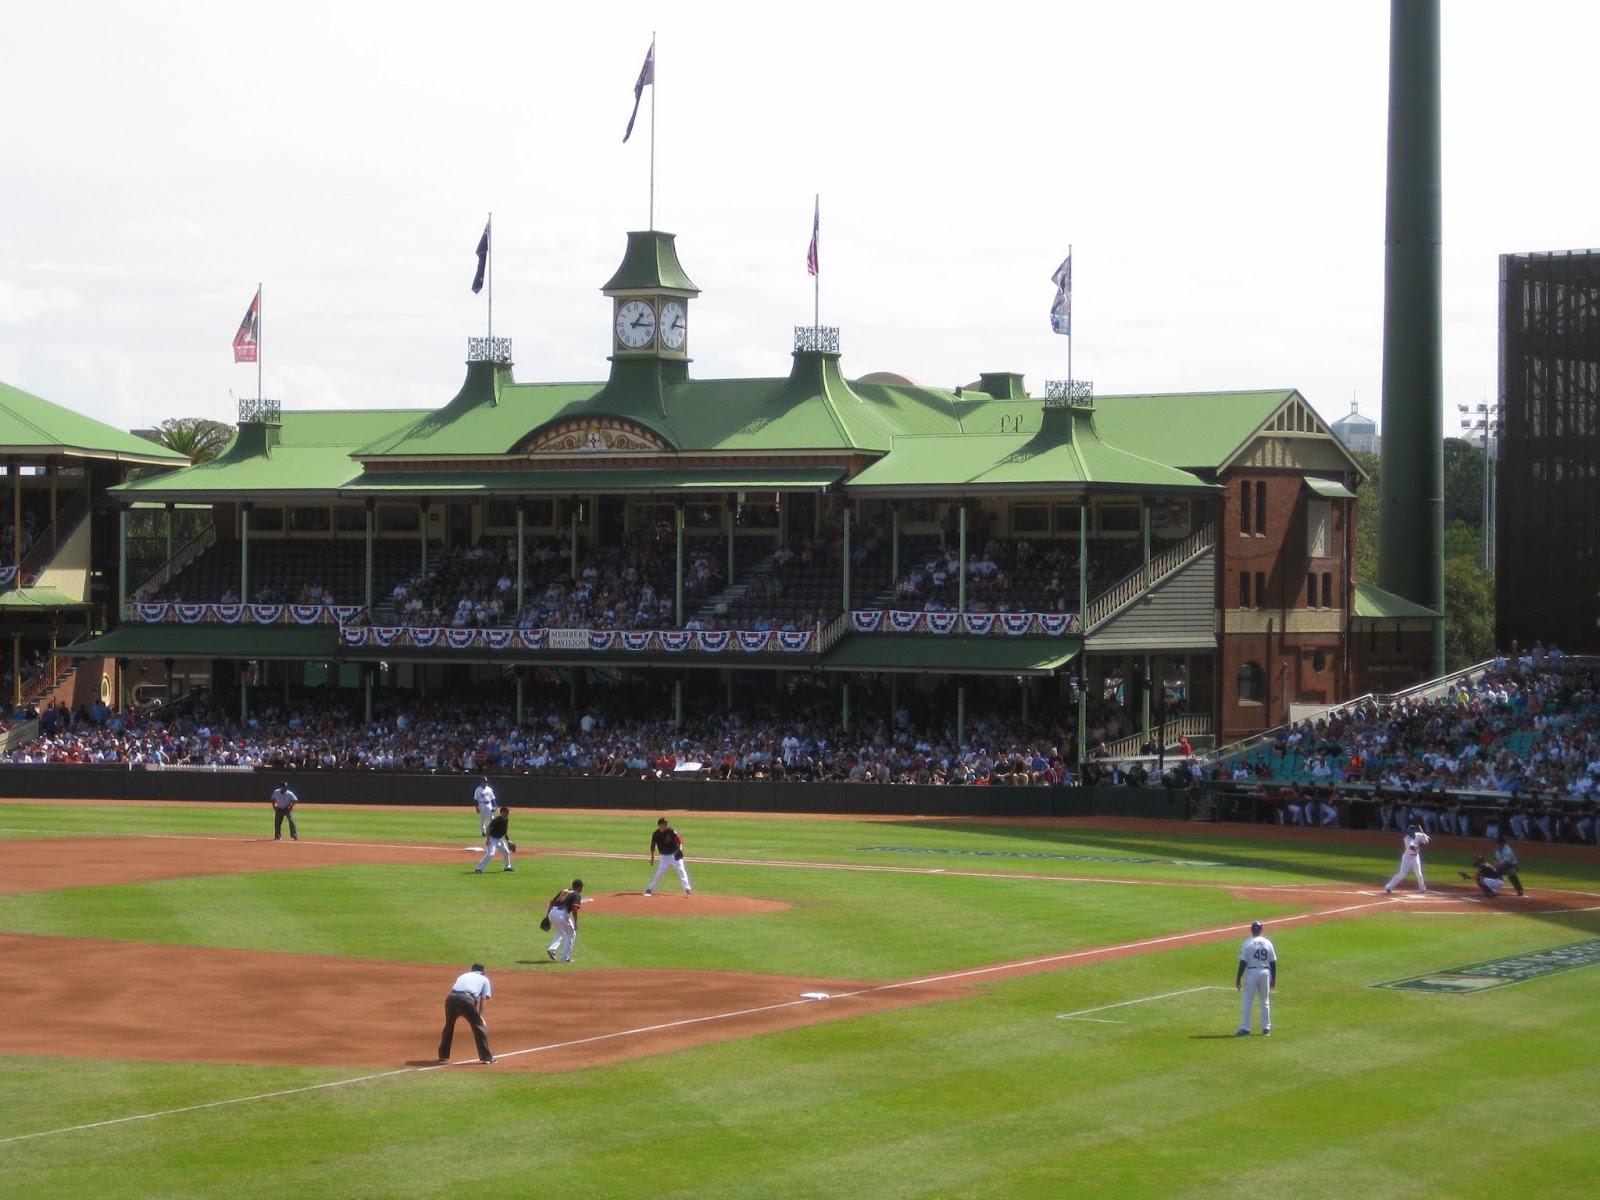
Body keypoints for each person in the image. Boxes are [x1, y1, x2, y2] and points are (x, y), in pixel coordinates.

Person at [437, 963, 495, 1063]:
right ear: (482, 972)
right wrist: (479, 1015)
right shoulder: (484, 979)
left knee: (449, 1026)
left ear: (471, 969)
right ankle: (486, 1057)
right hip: (467, 1000)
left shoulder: (462, 976)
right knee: (478, 1027)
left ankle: (443, 1055)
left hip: (451, 998)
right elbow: (483, 998)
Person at [1234, 919, 1277, 1036]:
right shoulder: (1268, 943)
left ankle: (1246, 1028)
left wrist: (1238, 978)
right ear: (1261, 930)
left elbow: (1243, 962)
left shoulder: (1247, 943)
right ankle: (1266, 1029)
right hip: (1265, 972)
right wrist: (1273, 978)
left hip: (1252, 972)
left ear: (1252, 930)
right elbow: (1272, 962)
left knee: (1248, 1001)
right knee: (1265, 1001)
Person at [645, 817, 692, 895]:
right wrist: (652, 857)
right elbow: (653, 845)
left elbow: (679, 839)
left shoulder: (671, 831)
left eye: (666, 823)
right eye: (664, 823)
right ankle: (650, 888)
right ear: (660, 825)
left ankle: (687, 889)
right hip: (664, 857)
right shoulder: (656, 834)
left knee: (681, 870)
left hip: (675, 855)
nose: (666, 824)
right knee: (660, 872)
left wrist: (680, 849)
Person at [1384, 823, 1431, 894]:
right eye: (1409, 831)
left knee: (1419, 874)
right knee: (1402, 874)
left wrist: (1427, 839)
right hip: (1407, 858)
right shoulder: (1407, 839)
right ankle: (1388, 887)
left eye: (1410, 831)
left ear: (1414, 831)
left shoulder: (1419, 835)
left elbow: (1430, 840)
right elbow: (1414, 848)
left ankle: (1423, 889)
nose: (1409, 833)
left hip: (1416, 858)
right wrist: (1423, 843)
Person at [545, 878, 584, 962]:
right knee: (572, 934)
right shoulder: (576, 894)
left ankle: (552, 949)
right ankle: (564, 958)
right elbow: (574, 909)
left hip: (552, 912)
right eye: (582, 886)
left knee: (561, 932)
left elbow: (552, 902)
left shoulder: (564, 890)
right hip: (561, 914)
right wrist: (576, 922)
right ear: (579, 887)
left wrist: (547, 916)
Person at [475, 806, 514, 873]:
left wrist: (508, 840)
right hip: (492, 839)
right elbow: (488, 829)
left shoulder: (506, 820)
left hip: (498, 839)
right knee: (491, 853)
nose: (508, 813)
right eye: (507, 811)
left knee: (506, 852)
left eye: (508, 812)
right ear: (502, 812)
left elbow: (505, 831)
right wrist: (487, 839)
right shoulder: (496, 820)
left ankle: (507, 867)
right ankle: (478, 869)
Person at [473, 776, 497, 841]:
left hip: (489, 804)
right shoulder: (477, 790)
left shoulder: (489, 789)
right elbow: (476, 799)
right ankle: (483, 832)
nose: (486, 783)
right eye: (484, 782)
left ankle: (492, 831)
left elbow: (492, 798)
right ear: (481, 782)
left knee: (492, 818)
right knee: (482, 819)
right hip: (481, 805)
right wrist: (477, 807)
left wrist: (495, 806)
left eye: (486, 782)